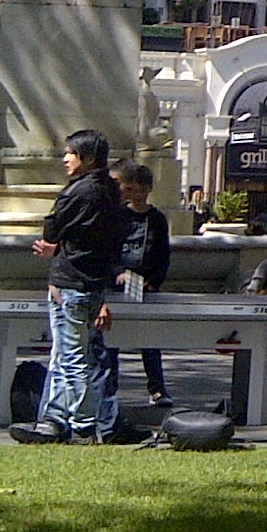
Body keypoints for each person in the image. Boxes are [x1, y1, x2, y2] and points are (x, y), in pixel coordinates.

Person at [11, 131, 124, 445]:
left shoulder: (78, 192)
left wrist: (54, 244)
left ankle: (83, 425)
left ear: (86, 158)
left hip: (71, 283)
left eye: (70, 154)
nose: (65, 159)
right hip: (90, 284)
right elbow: (105, 243)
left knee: (73, 358)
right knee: (64, 355)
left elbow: (53, 225)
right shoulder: (110, 192)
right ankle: (55, 420)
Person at [99, 161, 174, 423]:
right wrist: (117, 273)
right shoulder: (119, 216)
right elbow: (108, 251)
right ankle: (109, 389)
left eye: (143, 189)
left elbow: (163, 254)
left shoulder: (157, 219)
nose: (139, 194)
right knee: (111, 341)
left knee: (150, 341)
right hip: (118, 285)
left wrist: (153, 281)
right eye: (134, 189)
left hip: (147, 287)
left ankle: (157, 388)